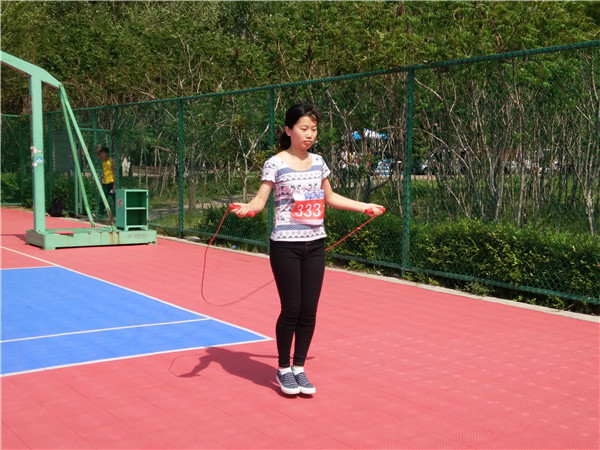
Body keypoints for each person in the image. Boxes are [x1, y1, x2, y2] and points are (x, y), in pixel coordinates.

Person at [231, 103, 385, 396]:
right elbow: (260, 200)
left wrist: (363, 206)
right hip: (285, 246)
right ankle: (283, 369)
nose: (310, 134)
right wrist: (248, 208)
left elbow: (330, 196)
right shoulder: (275, 163)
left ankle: (299, 368)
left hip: (315, 245)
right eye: (304, 128)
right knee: (291, 309)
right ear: (289, 130)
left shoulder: (319, 162)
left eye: (314, 129)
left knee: (309, 311)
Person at [96, 144, 116, 218]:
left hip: (111, 183)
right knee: (103, 198)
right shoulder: (104, 161)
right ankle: (100, 213)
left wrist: (114, 185)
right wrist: (99, 148)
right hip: (105, 184)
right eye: (101, 154)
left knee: (115, 198)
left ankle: (117, 214)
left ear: (107, 153)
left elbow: (114, 173)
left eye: (103, 153)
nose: (101, 155)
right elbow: (98, 155)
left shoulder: (111, 161)